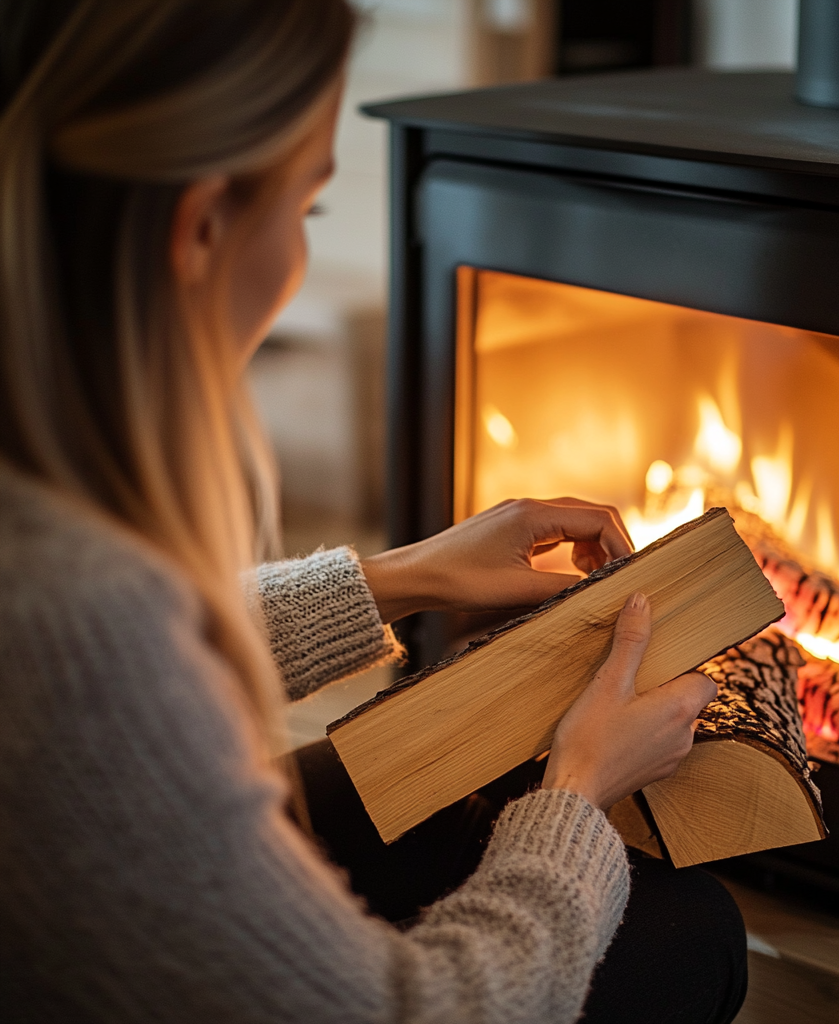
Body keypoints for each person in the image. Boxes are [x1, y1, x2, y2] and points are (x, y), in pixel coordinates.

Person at [0, 2, 748, 1021]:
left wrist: (403, 577)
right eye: (306, 208)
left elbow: (134, 663)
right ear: (202, 225)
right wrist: (575, 789)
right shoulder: (78, 616)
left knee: (417, 789)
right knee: (690, 929)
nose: (303, 245)